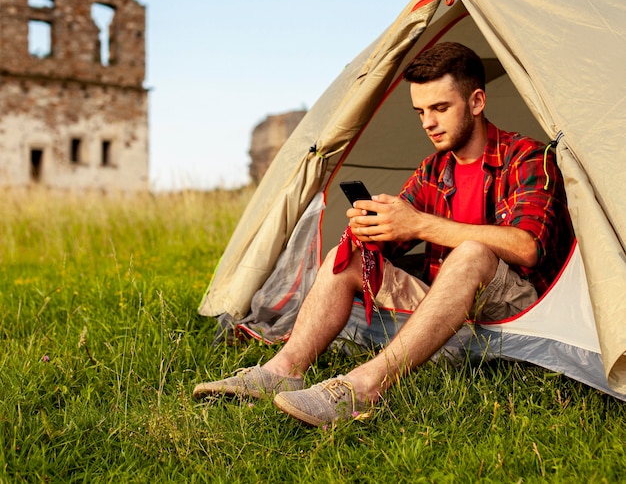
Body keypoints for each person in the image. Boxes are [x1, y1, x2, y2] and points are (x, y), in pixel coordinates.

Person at [193, 42, 575, 426]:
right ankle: (282, 370)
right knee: (347, 258)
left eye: (440, 108)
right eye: (421, 111)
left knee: (472, 253)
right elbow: (394, 236)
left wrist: (420, 224)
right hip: (448, 304)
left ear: (476, 102)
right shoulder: (433, 168)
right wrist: (374, 225)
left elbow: (527, 248)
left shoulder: (526, 156)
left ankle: (363, 387)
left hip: (518, 307)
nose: (428, 122)